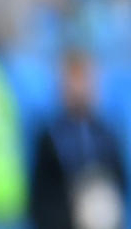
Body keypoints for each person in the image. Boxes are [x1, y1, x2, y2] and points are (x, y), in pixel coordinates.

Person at [28, 49, 127, 229]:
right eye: (74, 78)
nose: (79, 86)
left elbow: (119, 188)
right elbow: (39, 202)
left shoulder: (107, 135)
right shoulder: (49, 138)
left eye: (85, 78)